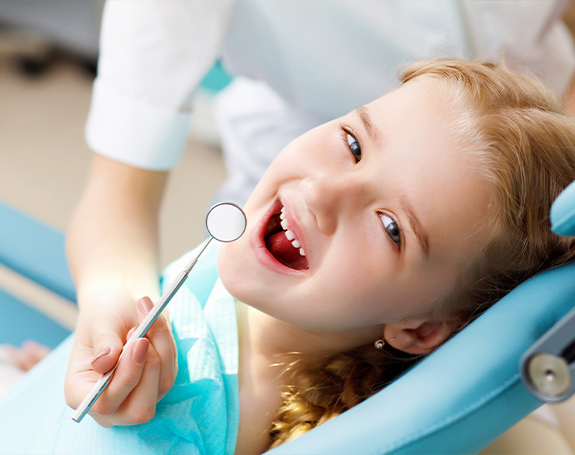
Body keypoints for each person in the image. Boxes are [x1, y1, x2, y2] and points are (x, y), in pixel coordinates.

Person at [1, 58, 575, 454]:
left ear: (422, 329)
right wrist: (51, 382)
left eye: (390, 227)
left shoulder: (164, 418)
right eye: (353, 144)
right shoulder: (257, 289)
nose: (323, 192)